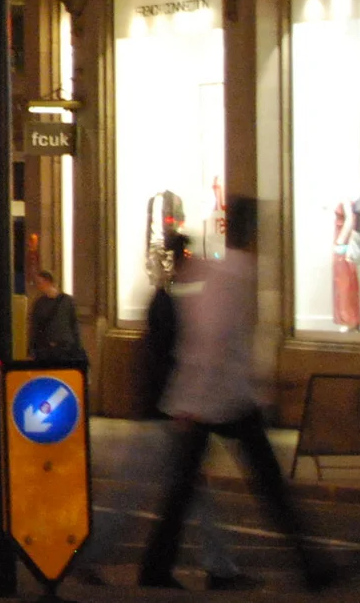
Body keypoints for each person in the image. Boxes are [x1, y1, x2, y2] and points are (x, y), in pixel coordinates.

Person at [139, 199, 334, 591]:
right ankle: (310, 564)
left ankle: (156, 568)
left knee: (185, 490)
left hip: (212, 396)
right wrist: (198, 396)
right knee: (268, 485)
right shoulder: (236, 273)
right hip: (221, 398)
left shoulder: (216, 272)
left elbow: (211, 339)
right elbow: (215, 339)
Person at [85, 231, 245, 586]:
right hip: (169, 415)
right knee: (143, 495)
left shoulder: (169, 302)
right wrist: (182, 406)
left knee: (185, 495)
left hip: (167, 412)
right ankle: (218, 568)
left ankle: (220, 566)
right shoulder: (172, 305)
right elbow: (171, 361)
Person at [26, 269, 85, 366]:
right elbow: (35, 328)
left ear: (49, 282)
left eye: (40, 283)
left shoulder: (67, 301)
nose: (38, 286)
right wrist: (31, 350)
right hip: (47, 348)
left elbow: (74, 324)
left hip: (63, 348)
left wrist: (77, 347)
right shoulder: (40, 303)